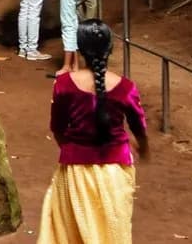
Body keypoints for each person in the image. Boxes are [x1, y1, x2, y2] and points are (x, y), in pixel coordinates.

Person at [39, 20, 149, 244]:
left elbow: (57, 128)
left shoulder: (64, 84)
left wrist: (72, 149)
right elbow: (139, 126)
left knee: (70, 234)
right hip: (115, 169)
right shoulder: (126, 87)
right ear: (110, 49)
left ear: (79, 49)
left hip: (74, 171)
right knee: (112, 232)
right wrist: (142, 147)